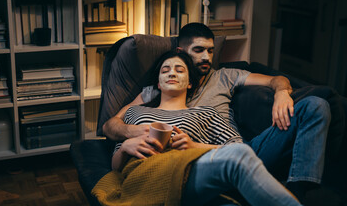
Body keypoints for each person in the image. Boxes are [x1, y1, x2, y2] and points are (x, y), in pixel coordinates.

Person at [103, 23, 331, 203]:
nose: (207, 58)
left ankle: (299, 192)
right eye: (199, 50)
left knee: (316, 106)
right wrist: (130, 133)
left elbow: (275, 80)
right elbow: (112, 124)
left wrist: (282, 92)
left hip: (237, 148)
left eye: (211, 51)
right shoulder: (155, 90)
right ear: (180, 52)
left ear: (189, 82)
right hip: (201, 162)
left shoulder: (225, 76)